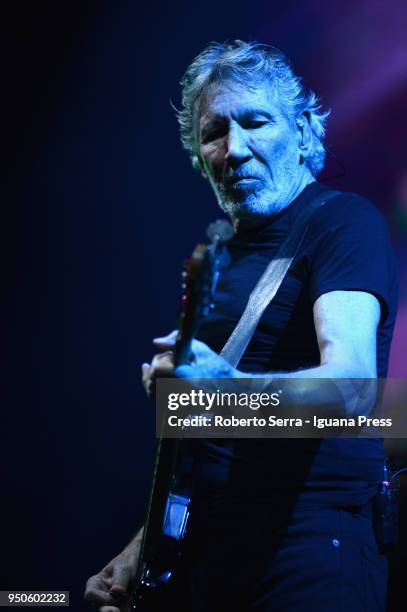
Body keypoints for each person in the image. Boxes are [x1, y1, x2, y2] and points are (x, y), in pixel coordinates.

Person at [84, 41, 398, 611]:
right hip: (213, 555)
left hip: (307, 550)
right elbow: (208, 440)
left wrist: (220, 385)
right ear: (198, 157)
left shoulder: (342, 224)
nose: (235, 149)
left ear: (304, 133)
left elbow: (352, 389)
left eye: (256, 122)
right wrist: (141, 549)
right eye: (214, 133)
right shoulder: (220, 259)